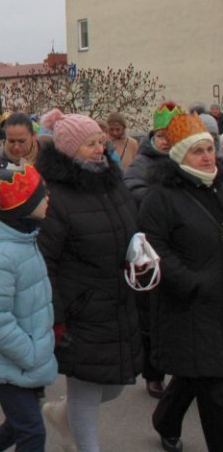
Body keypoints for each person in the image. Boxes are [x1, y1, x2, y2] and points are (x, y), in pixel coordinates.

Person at [36, 109, 141, 452]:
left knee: (113, 385)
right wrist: (56, 315)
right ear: (69, 150)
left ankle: (61, 415)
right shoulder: (57, 195)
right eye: (90, 144)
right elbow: (46, 260)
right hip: (80, 307)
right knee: (85, 387)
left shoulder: (113, 181)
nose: (100, 149)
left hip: (118, 300)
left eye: (101, 142)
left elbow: (131, 229)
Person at [140, 113, 223, 452]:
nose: (207, 157)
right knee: (215, 383)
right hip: (189, 304)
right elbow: (154, 248)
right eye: (197, 151)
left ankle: (165, 420)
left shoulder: (218, 186)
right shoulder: (161, 197)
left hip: (218, 302)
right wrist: (191, 283)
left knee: (198, 373)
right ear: (179, 157)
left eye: (210, 149)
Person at [0, 165, 57, 452]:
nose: (48, 200)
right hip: (13, 358)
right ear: (24, 206)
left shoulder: (24, 238)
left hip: (26, 356)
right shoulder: (1, 254)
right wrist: (27, 352)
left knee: (19, 425)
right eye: (42, 196)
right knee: (32, 432)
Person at [123, 101, 184, 400]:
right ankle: (153, 373)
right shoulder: (144, 161)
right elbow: (132, 187)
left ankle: (184, 369)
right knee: (151, 315)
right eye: (162, 135)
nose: (166, 140)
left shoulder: (188, 160)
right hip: (152, 247)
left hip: (186, 247)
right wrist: (166, 201)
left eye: (172, 135)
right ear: (154, 136)